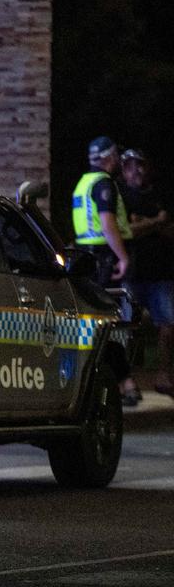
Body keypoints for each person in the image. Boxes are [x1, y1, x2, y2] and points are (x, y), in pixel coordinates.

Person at [119, 148, 174, 401]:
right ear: (124, 170)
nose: (136, 170)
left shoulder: (159, 195)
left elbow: (170, 230)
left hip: (160, 273)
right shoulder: (121, 195)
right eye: (130, 166)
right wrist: (155, 222)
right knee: (127, 327)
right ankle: (125, 377)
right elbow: (127, 230)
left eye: (140, 165)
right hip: (131, 273)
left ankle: (163, 376)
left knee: (167, 323)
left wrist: (147, 223)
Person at [72, 136, 132, 287]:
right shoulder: (103, 184)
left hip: (86, 254)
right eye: (117, 155)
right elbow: (107, 225)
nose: (119, 159)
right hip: (104, 257)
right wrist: (123, 258)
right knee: (110, 306)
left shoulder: (84, 182)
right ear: (110, 157)